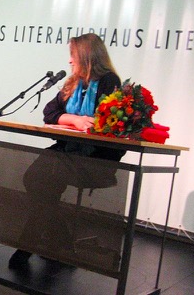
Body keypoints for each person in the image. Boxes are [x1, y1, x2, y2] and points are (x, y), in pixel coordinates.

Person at [9, 33, 125, 269]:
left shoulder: (108, 82)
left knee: (42, 180)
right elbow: (49, 113)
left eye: (73, 56)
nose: (70, 61)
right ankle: (59, 239)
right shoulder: (73, 82)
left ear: (86, 56)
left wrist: (82, 122)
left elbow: (106, 122)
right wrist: (74, 119)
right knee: (34, 179)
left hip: (95, 157)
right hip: (68, 151)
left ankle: (28, 244)